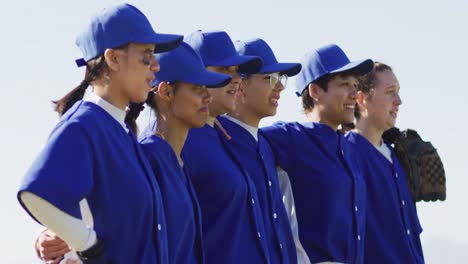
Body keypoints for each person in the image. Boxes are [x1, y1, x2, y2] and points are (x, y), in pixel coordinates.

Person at [17, 3, 182, 263]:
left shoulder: (121, 129)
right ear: (113, 59)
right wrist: (86, 244)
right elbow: (36, 193)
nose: (156, 67)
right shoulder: (85, 124)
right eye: (147, 55)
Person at [164, 30, 271, 263]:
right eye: (223, 70)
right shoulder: (182, 140)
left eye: (236, 72)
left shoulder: (223, 135)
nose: (235, 80)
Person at [261, 44, 373, 264]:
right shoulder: (291, 138)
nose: (354, 93)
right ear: (314, 91)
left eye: (355, 85)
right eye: (344, 85)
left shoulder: (349, 149)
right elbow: (242, 135)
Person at [214, 37, 306, 264]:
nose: (281, 86)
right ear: (240, 84)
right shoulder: (213, 138)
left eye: (280, 78)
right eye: (269, 78)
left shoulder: (265, 144)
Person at [345, 62, 425, 263]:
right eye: (390, 92)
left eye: (398, 92)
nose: (398, 101)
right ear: (362, 98)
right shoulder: (346, 153)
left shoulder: (398, 157)